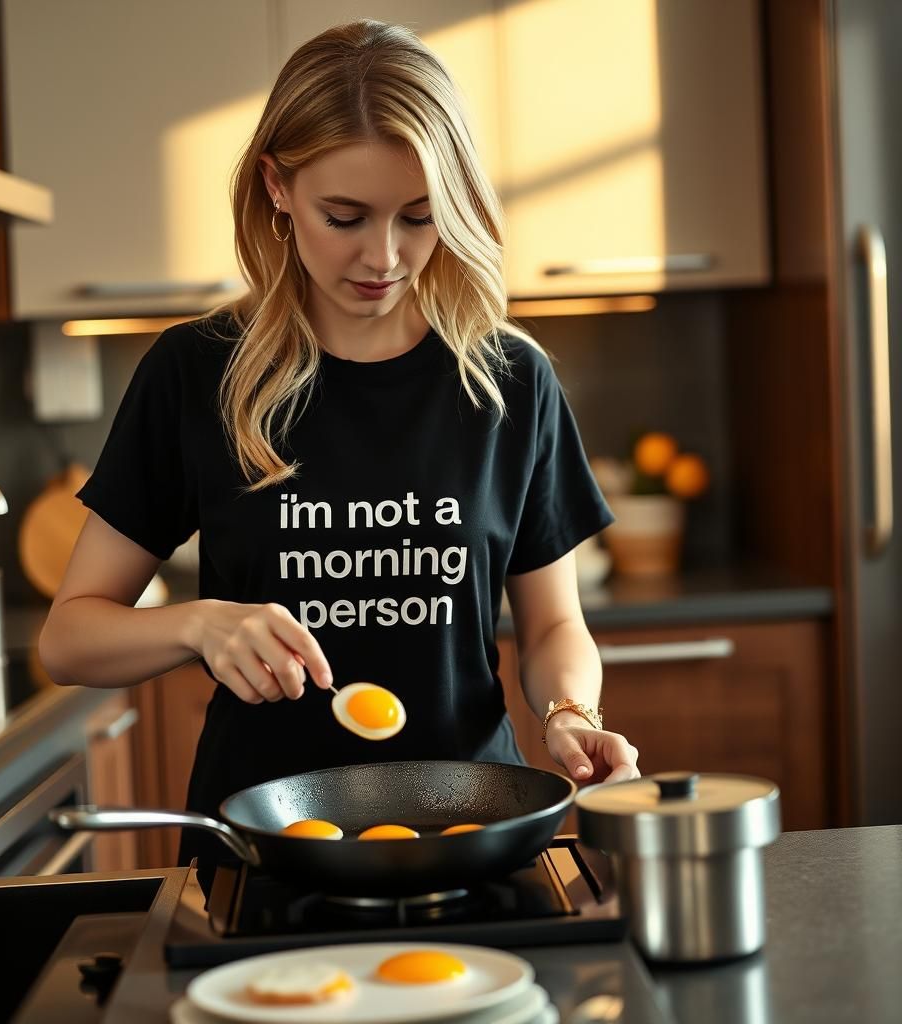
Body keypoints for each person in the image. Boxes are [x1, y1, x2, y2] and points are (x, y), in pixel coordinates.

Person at [39, 19, 639, 879]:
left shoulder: (508, 380)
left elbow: (552, 623)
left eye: (420, 217)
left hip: (471, 836)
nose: (384, 257)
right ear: (277, 187)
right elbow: (67, 639)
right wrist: (200, 625)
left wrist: (571, 715)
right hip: (260, 849)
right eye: (345, 217)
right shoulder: (197, 372)